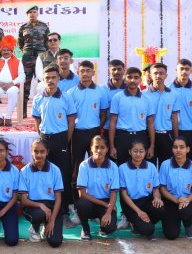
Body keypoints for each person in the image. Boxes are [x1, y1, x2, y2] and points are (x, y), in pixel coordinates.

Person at [108, 66, 156, 229]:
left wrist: (151, 145)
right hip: (122, 137)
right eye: (130, 77)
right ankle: (125, 214)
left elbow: (150, 123)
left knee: (140, 173)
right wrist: (112, 144)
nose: (133, 80)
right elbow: (113, 122)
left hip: (141, 136)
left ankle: (140, 210)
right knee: (124, 174)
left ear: (140, 79)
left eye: (137, 77)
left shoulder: (147, 99)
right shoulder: (118, 97)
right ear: (126, 78)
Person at [32, 65, 77, 228]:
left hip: (61, 140)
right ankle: (45, 211)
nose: (50, 81)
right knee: (44, 175)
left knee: (63, 176)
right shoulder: (38, 98)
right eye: (47, 78)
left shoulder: (66, 98)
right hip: (45, 139)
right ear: (43, 80)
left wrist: (66, 140)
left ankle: (64, 213)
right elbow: (37, 119)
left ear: (58, 79)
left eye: (53, 77)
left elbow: (71, 121)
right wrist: (41, 136)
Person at [66, 60, 109, 223]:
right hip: (77, 134)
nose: (85, 74)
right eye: (82, 71)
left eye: (88, 71)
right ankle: (78, 208)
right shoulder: (71, 93)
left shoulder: (101, 92)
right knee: (76, 171)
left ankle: (96, 209)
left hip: (94, 133)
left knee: (96, 169)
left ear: (93, 73)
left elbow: (103, 113)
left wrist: (97, 129)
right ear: (78, 72)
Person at [19, 138, 64, 247]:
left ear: (47, 152)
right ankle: (35, 228)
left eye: (42, 151)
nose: (39, 155)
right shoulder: (24, 171)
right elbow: (24, 200)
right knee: (39, 214)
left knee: (55, 242)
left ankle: (47, 223)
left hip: (52, 206)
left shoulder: (55, 170)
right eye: (36, 151)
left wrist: (52, 220)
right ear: (31, 151)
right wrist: (41, 205)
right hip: (33, 206)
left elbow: (58, 198)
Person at [74, 136, 119, 240]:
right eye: (96, 147)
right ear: (91, 148)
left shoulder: (113, 167)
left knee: (110, 228)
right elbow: (82, 194)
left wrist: (108, 212)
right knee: (81, 204)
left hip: (105, 202)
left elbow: (113, 193)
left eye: (102, 147)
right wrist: (106, 205)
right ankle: (85, 229)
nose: (99, 150)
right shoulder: (84, 165)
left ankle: (103, 226)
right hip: (89, 201)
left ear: (107, 149)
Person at [118, 139, 164, 239]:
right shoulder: (122, 168)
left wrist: (157, 198)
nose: (138, 154)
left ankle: (145, 222)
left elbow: (156, 189)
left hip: (147, 201)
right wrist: (139, 211)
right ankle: (135, 222)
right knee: (148, 230)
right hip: (131, 204)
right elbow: (124, 195)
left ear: (145, 152)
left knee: (161, 209)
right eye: (135, 151)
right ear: (130, 152)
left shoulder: (151, 167)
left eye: (141, 151)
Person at [158, 137, 192, 240]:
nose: (178, 150)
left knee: (187, 212)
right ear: (172, 149)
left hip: (187, 202)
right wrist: (176, 200)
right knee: (171, 235)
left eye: (182, 147)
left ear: (188, 149)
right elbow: (162, 189)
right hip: (170, 200)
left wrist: (186, 200)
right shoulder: (165, 165)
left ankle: (187, 224)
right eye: (175, 147)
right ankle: (172, 220)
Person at [18, 6, 50, 117]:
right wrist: (26, 51)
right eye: (30, 12)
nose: (32, 14)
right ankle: (23, 111)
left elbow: (47, 42)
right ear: (27, 15)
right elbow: (20, 42)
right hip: (27, 58)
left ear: (37, 13)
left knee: (42, 82)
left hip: (41, 58)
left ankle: (42, 109)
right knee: (25, 84)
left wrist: (43, 54)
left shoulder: (44, 26)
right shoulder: (23, 27)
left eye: (34, 12)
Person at [0, 35, 25, 126]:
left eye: (8, 50)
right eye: (4, 50)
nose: (6, 52)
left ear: (12, 51)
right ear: (1, 51)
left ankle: (8, 117)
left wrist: (12, 83)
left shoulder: (18, 62)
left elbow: (22, 76)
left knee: (13, 92)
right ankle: (0, 117)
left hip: (12, 86)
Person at [146, 63, 180, 166]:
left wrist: (176, 137)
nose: (158, 76)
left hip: (167, 136)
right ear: (150, 75)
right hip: (148, 136)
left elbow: (174, 118)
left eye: (161, 73)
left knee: (166, 166)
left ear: (166, 75)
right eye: (155, 73)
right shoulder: (144, 94)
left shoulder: (173, 94)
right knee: (149, 166)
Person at [172, 59, 192, 162]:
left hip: (191, 131)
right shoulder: (168, 89)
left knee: (191, 161)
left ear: (191, 71)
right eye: (181, 69)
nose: (184, 72)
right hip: (172, 130)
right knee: (173, 161)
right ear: (176, 70)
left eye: (187, 69)